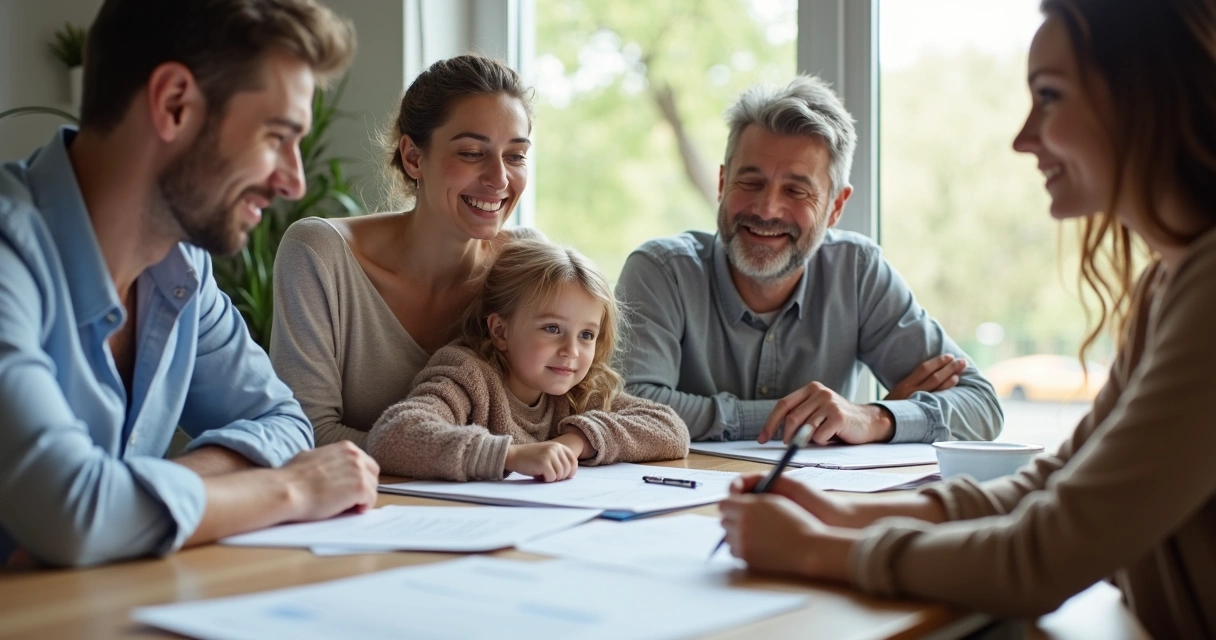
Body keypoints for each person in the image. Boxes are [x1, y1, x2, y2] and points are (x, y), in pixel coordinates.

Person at [718, 1, 1216, 637]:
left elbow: (1043, 555)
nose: (1023, 137)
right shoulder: (1169, 285)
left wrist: (816, 550)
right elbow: (1049, 486)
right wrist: (842, 514)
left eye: (1051, 97)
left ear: (1146, 98)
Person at [0, 0, 382, 569]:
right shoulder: (10, 252)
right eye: (276, 136)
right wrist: (292, 491)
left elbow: (286, 423)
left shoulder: (182, 271)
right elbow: (76, 514)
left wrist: (127, 496)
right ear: (174, 104)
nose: (294, 181)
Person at [616, 76, 1002, 445]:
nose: (767, 209)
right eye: (750, 183)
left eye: (797, 190)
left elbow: (982, 407)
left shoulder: (857, 272)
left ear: (835, 207)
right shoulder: (661, 271)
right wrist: (814, 419)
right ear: (721, 183)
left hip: (819, 508)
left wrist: (874, 417)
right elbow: (629, 407)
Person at [271, 54, 539, 450]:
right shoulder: (319, 254)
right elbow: (308, 434)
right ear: (414, 157)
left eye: (515, 156)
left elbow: (576, 404)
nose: (499, 179)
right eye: (471, 153)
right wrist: (488, 460)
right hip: (362, 506)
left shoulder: (526, 262)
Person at [366, 239, 689, 482]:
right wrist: (511, 456)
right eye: (552, 328)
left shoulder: (579, 391)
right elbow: (393, 435)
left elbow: (671, 429)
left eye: (587, 335)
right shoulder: (469, 375)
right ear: (500, 330)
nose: (571, 351)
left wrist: (574, 442)